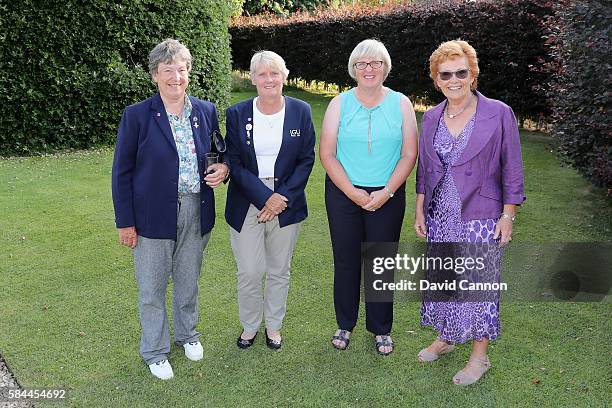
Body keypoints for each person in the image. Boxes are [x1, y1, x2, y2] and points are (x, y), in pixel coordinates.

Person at [111, 39, 229, 380]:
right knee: (152, 286)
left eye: (181, 70)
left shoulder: (205, 111)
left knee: (188, 280)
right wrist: (125, 222)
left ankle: (187, 334)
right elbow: (122, 172)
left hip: (197, 208)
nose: (175, 77)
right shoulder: (137, 115)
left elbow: (218, 153)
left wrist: (224, 169)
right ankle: (155, 350)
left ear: (188, 72)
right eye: (167, 71)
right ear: (155, 75)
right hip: (152, 216)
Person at [414, 40, 525, 385]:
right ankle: (446, 337)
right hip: (440, 214)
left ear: (473, 74)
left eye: (461, 72)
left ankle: (480, 356)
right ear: (436, 79)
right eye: (445, 74)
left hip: (481, 212)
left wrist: (507, 215)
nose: (454, 79)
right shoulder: (431, 116)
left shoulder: (498, 112)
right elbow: (425, 169)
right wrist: (419, 210)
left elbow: (512, 167)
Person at [320, 39, 418, 355]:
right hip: (343, 193)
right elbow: (327, 154)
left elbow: (409, 153)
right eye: (362, 64)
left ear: (385, 67)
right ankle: (344, 324)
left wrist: (387, 191)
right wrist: (352, 192)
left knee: (380, 263)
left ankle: (380, 329)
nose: (369, 69)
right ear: (354, 69)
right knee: (346, 261)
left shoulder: (402, 103)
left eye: (375, 62)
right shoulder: (339, 104)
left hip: (388, 194)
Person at [225, 51, 315, 350]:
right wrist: (266, 198)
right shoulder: (237, 113)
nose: (268, 79)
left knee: (279, 269)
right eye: (261, 74)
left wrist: (281, 197)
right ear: (252, 78)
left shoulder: (301, 111)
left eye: (274, 73)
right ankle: (250, 325)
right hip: (247, 198)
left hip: (287, 201)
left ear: (284, 76)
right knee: (249, 269)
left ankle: (273, 326)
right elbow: (234, 162)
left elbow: (306, 159)